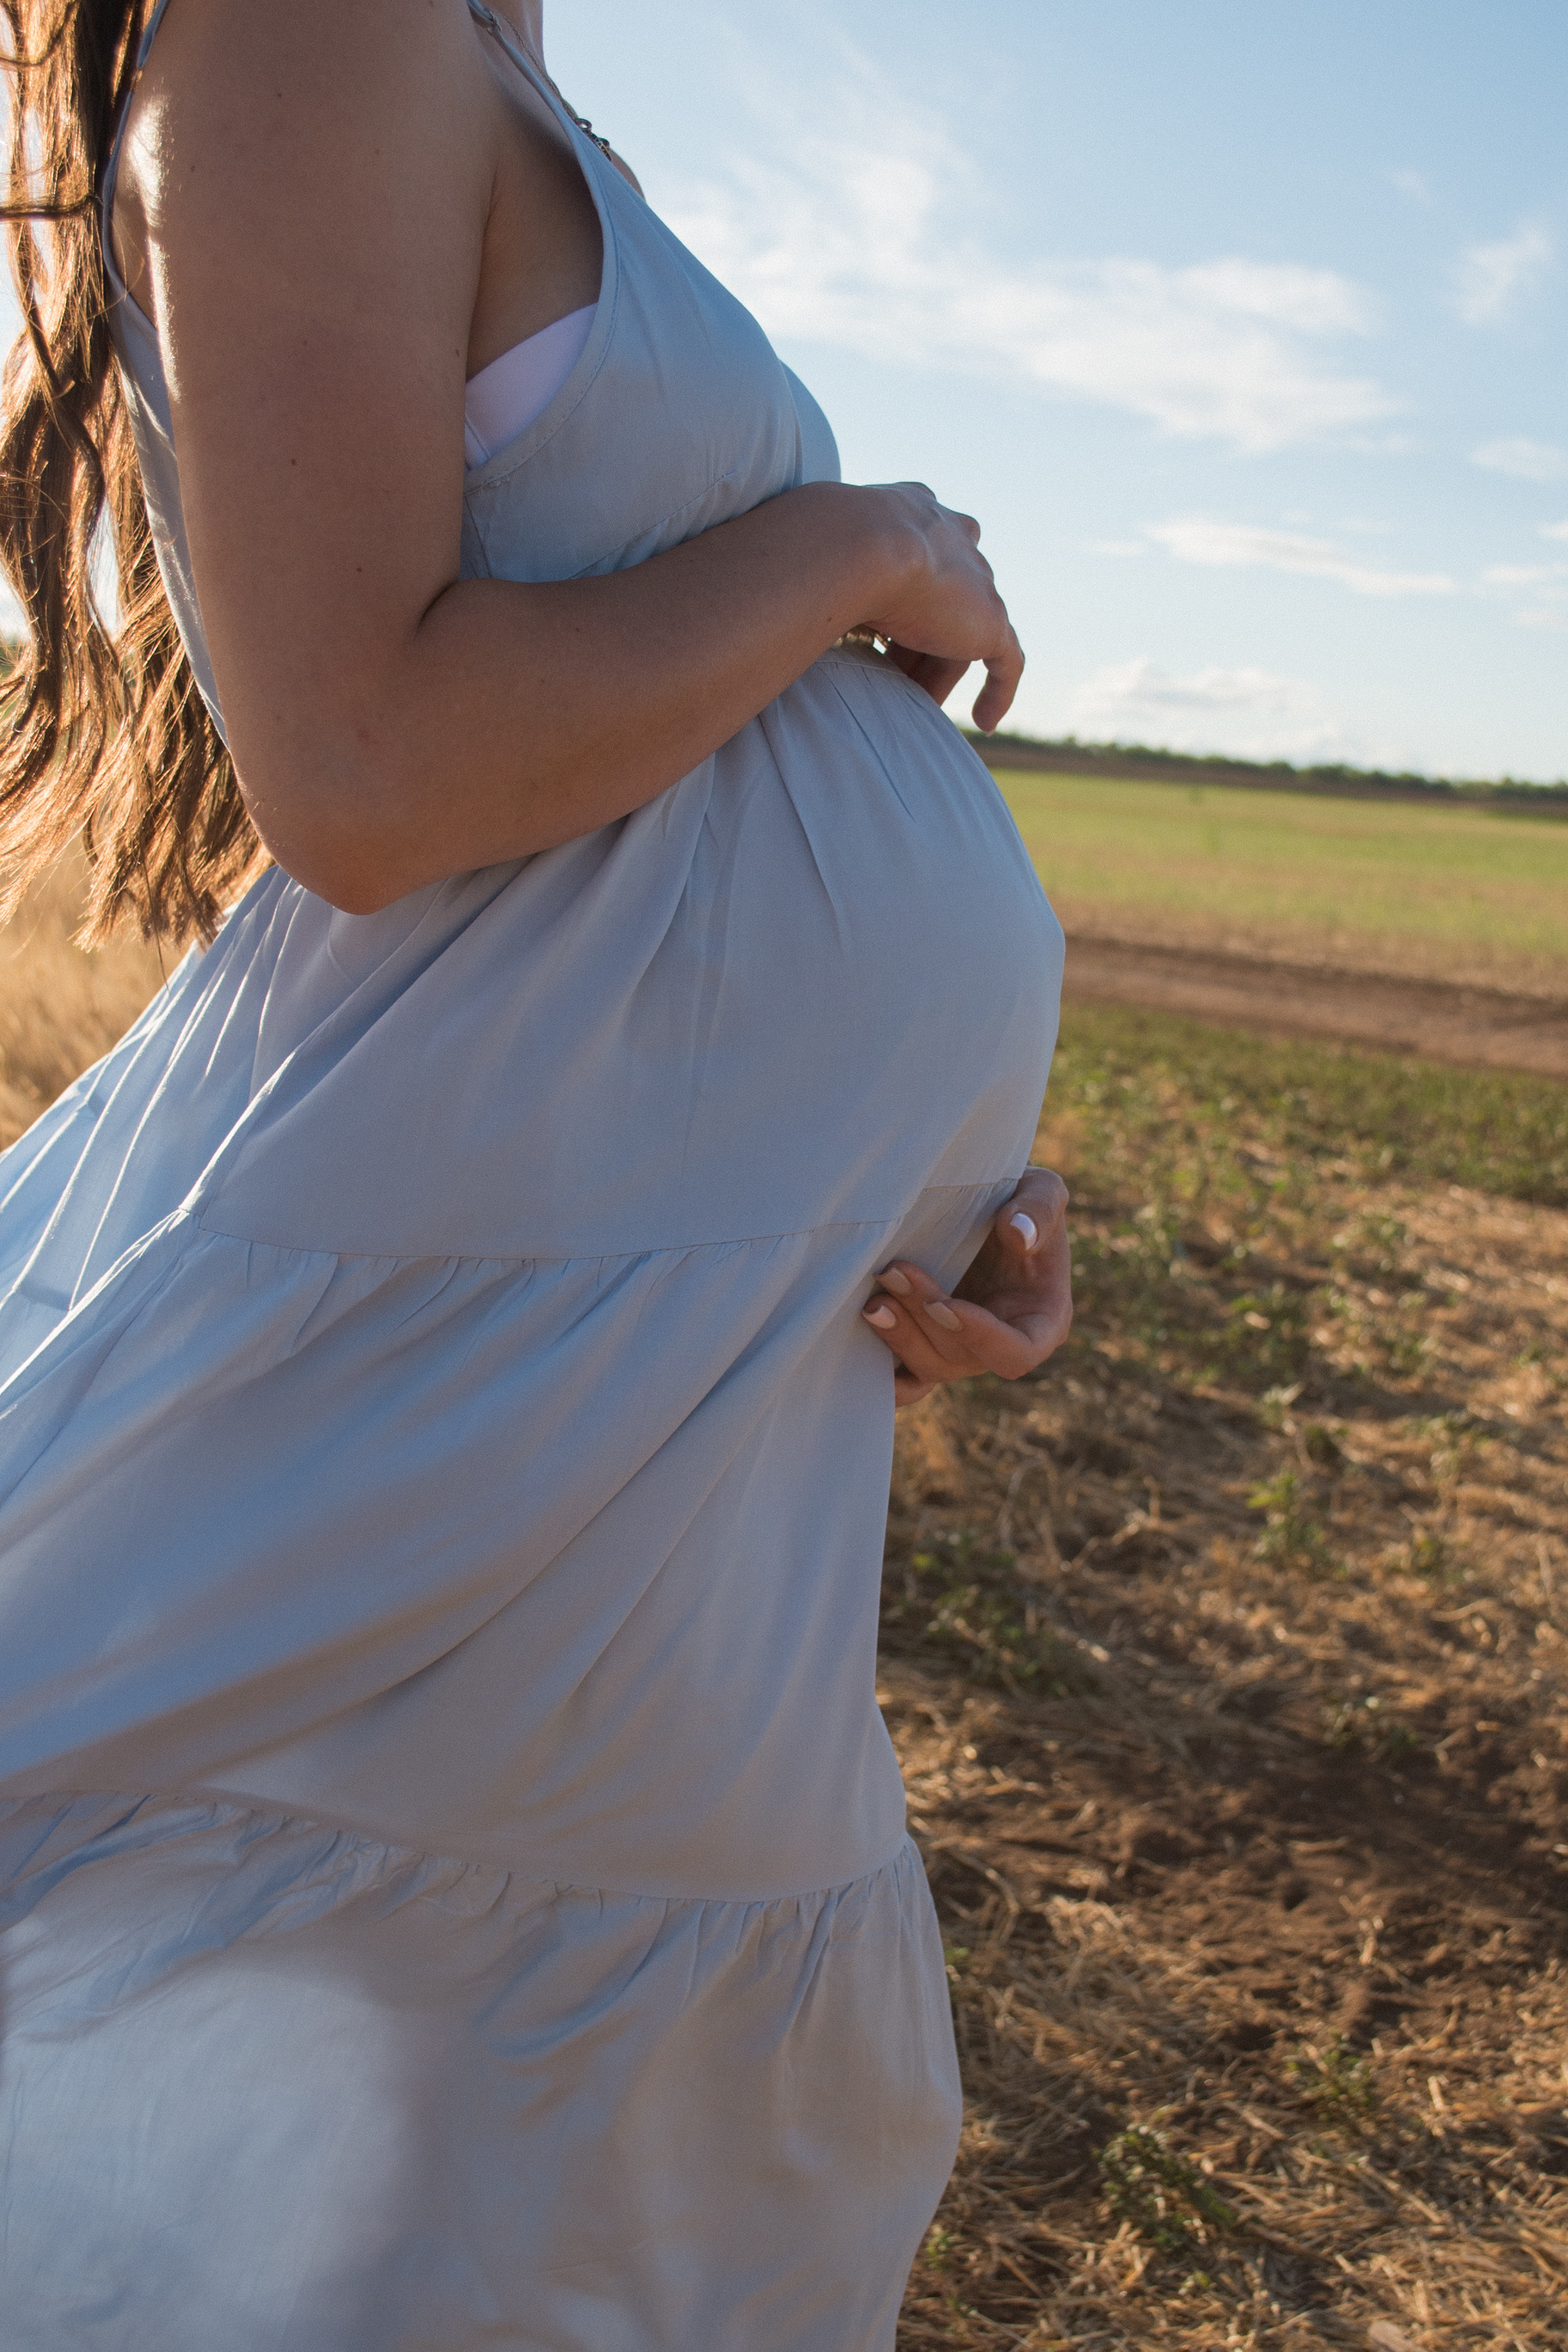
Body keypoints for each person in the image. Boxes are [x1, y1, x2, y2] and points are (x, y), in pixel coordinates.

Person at [0, 1, 1071, 2343]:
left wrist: (907, 1185)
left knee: (515, 2171)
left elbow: (647, 810)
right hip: (463, 1356)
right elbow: (368, 771)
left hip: (674, 1364)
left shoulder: (470, 48)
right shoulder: (307, 32)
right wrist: (857, 539)